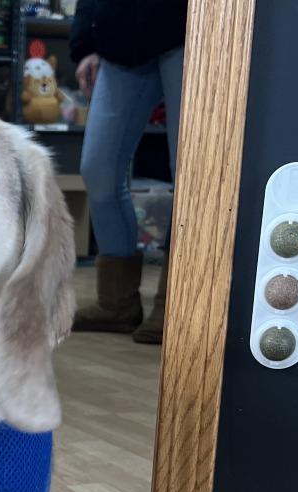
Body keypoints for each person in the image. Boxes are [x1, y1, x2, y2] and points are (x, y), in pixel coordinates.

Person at [70, 0, 187, 343]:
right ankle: (117, 303)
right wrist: (86, 45)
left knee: (189, 172)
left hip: (189, 30)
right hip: (120, 39)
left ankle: (177, 302)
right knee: (98, 170)